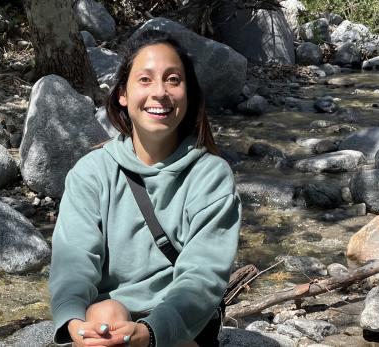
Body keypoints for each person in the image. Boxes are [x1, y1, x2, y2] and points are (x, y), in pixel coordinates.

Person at [49, 29, 241, 347]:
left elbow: (202, 276)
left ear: (189, 94)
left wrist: (151, 333)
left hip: (181, 321)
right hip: (108, 321)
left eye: (173, 80)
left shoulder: (211, 176)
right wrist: (72, 321)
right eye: (145, 79)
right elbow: (74, 261)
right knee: (108, 312)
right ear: (122, 93)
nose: (160, 92)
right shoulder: (91, 172)